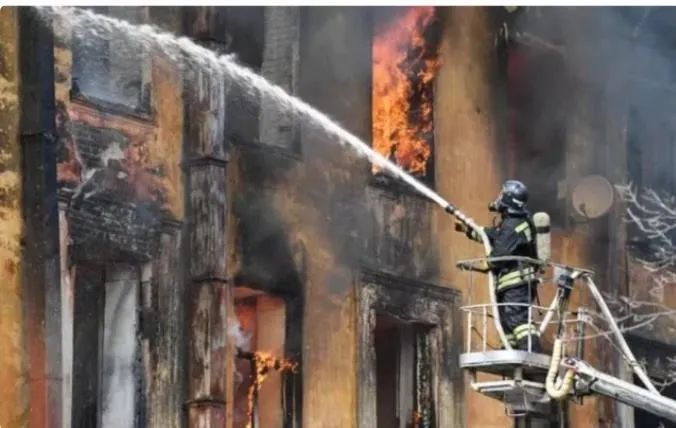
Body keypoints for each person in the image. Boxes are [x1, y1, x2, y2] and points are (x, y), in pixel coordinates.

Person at [456, 180, 541, 352]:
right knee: (507, 322)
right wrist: (469, 230)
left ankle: (530, 352)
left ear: (508, 199)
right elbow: (494, 236)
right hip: (511, 284)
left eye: (501, 195)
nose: (498, 198)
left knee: (517, 320)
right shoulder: (514, 222)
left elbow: (497, 258)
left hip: (517, 284)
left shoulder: (513, 226)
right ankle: (510, 351)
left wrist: (474, 265)